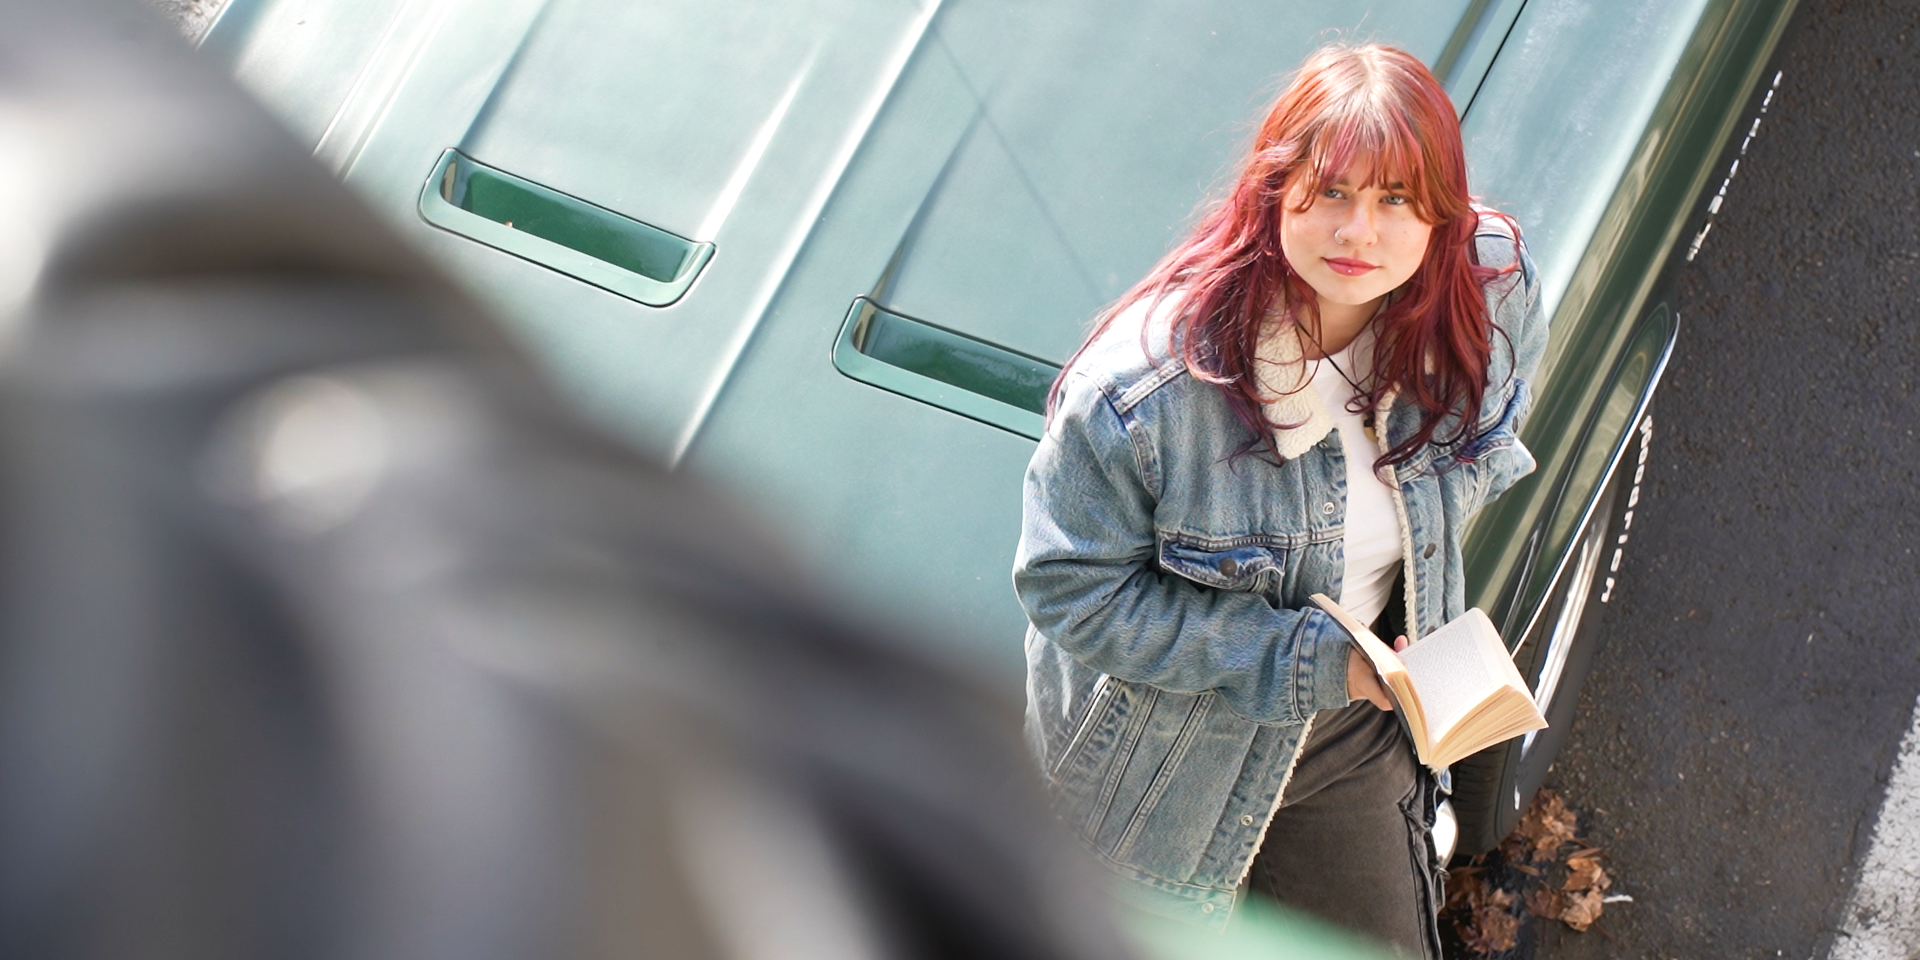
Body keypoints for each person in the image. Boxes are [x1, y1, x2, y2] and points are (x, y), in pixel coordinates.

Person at [1013, 43, 1546, 957]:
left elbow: (1488, 437)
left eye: (1394, 202)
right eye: (1332, 192)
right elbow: (1071, 589)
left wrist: (1414, 611)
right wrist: (1309, 660)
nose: (1359, 234)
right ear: (1276, 188)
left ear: (1441, 216)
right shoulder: (1148, 392)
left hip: (1352, 734)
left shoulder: (1489, 292)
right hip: (1160, 766)